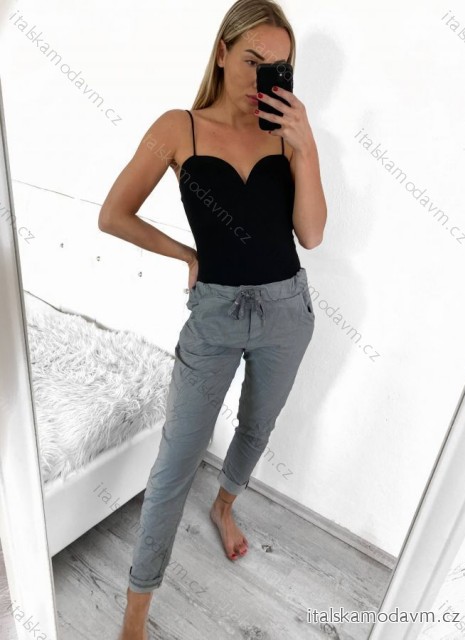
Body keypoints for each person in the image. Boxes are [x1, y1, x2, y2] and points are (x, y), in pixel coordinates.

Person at [98, 0, 327, 637]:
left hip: (287, 311)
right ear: (222, 52)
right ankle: (136, 611)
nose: (262, 78)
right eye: (252, 60)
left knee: (256, 426)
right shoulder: (180, 128)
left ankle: (225, 506)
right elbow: (113, 214)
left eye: (277, 67)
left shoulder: (287, 133)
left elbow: (311, 235)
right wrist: (187, 254)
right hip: (216, 315)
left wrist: (307, 148)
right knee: (175, 463)